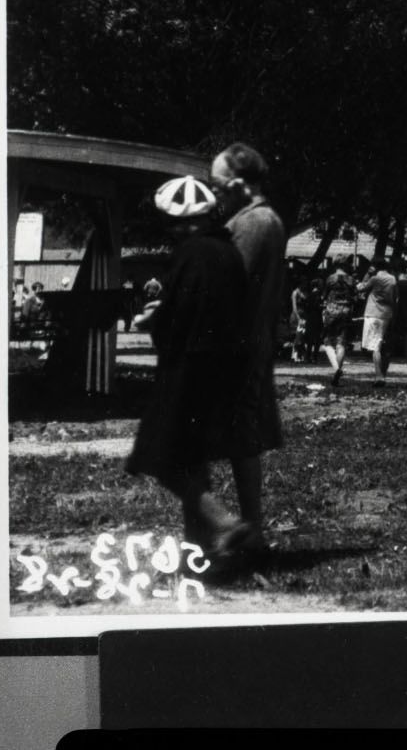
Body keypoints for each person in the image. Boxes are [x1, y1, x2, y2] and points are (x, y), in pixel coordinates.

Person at [125, 177, 255, 559]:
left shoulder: (190, 254)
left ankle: (226, 523)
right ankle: (196, 550)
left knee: (162, 457)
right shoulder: (227, 252)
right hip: (227, 369)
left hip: (189, 370)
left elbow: (185, 316)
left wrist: (153, 321)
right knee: (192, 458)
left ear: (177, 222)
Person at [210, 141, 285, 551]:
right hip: (247, 343)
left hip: (235, 345)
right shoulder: (263, 219)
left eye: (218, 187)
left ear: (238, 184)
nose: (215, 196)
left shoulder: (254, 223)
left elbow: (229, 284)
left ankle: (239, 530)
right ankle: (249, 528)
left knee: (233, 439)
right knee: (242, 441)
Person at [361, 254, 399, 377]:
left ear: (374, 266)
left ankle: (379, 375)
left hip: (372, 313)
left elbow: (360, 288)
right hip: (387, 313)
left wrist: (367, 274)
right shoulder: (393, 279)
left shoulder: (374, 279)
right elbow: (395, 297)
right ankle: (383, 371)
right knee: (381, 342)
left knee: (375, 346)